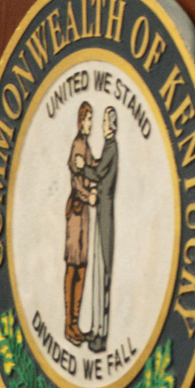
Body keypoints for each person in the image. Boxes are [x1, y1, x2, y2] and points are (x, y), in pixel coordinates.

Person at [64, 103, 97, 348]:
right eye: (88, 119)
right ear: (80, 121)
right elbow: (77, 181)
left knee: (82, 267)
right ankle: (68, 323)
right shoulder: (78, 145)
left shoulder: (86, 146)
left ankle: (75, 323)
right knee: (74, 267)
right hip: (76, 212)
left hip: (84, 215)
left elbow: (93, 167)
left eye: (91, 119)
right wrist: (89, 196)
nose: (90, 124)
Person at [90, 105, 120, 354]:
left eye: (104, 122)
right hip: (100, 211)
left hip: (104, 216)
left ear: (111, 126)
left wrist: (82, 166)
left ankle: (102, 334)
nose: (101, 125)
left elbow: (99, 174)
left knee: (103, 275)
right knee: (98, 274)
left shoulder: (111, 148)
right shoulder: (108, 148)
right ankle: (96, 328)